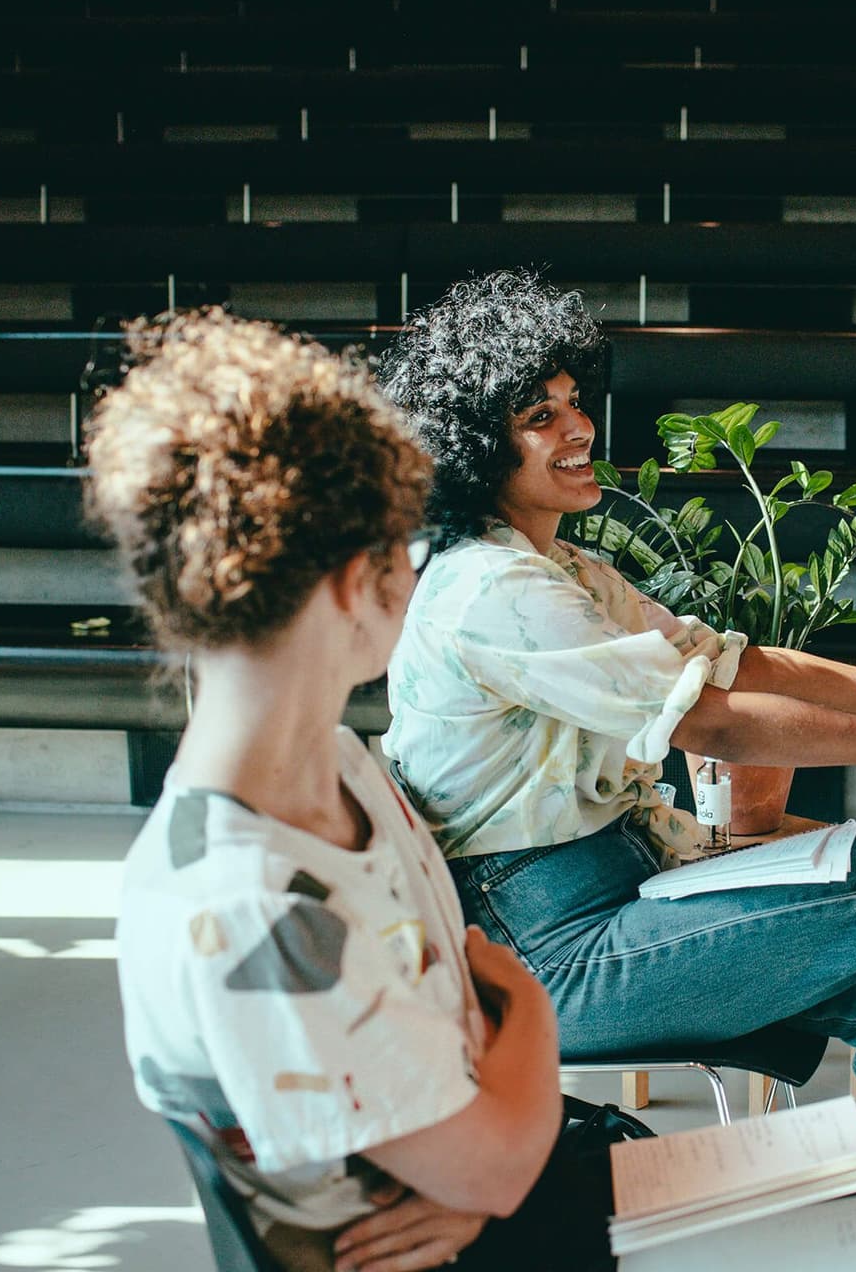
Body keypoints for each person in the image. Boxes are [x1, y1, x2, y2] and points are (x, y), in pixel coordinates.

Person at [376, 270, 856, 1204]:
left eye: (575, 402)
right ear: (472, 445)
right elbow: (716, 721)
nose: (579, 431)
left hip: (615, 888)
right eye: (541, 416)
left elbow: (734, 664)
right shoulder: (494, 590)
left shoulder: (554, 564)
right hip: (546, 949)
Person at [96, 308, 611, 1272]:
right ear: (348, 580)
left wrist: (488, 1175)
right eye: (404, 554)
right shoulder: (248, 905)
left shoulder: (340, 762)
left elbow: (473, 1122)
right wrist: (533, 1019)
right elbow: (493, 1159)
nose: (417, 582)